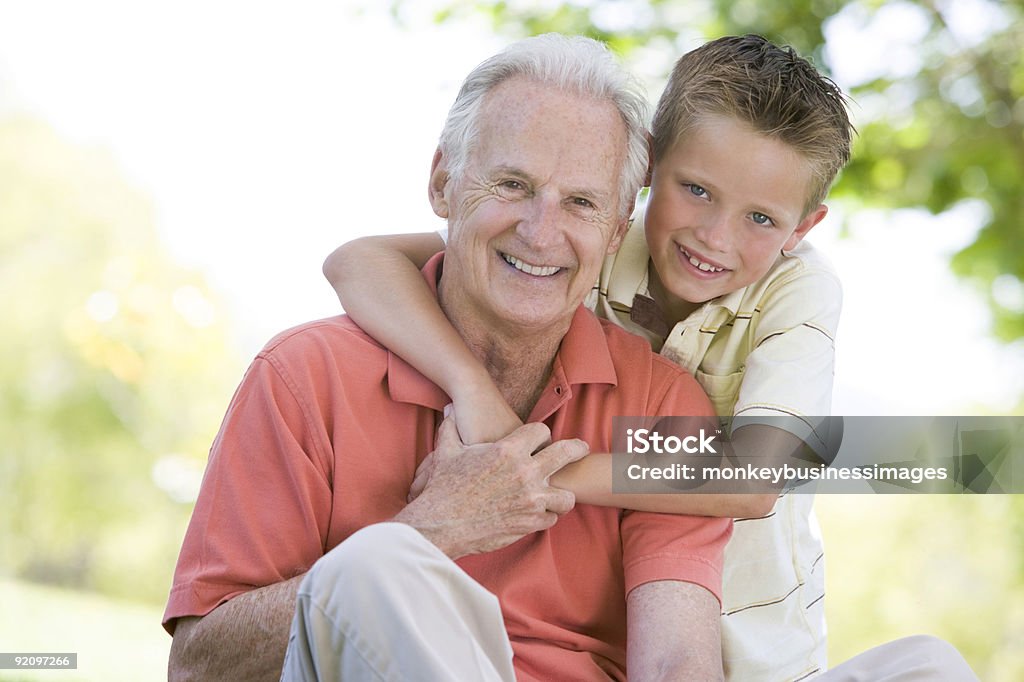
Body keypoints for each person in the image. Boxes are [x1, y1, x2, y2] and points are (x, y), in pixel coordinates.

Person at [321, 35, 976, 680]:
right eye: (696, 190)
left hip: (754, 652)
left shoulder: (799, 289)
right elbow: (358, 260)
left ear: (802, 229)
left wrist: (526, 474)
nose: (714, 236)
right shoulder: (588, 239)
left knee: (931, 665)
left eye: (761, 219)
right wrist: (474, 392)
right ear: (646, 168)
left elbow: (755, 477)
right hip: (617, 634)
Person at [163, 34, 734, 681]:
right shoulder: (305, 374)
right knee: (374, 563)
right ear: (443, 183)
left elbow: (678, 663)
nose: (541, 232)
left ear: (617, 225)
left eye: (581, 202)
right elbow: (198, 667)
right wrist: (432, 531)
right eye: (513, 185)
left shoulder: (660, 403)